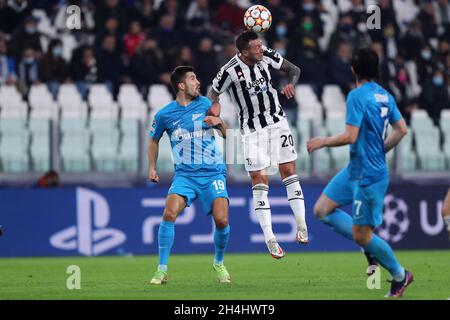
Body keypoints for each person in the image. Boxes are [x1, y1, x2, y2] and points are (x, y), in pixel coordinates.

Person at [307, 48, 413, 298]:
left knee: (361, 235)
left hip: (368, 175)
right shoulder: (386, 96)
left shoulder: (356, 95)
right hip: (354, 170)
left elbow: (350, 136)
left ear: (353, 70)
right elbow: (402, 129)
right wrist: (381, 149)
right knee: (322, 210)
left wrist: (322, 141)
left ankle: (400, 275)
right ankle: (368, 247)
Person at [207, 31, 308, 260]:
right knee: (259, 179)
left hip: (277, 122)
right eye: (256, 47)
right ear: (243, 52)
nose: (261, 49)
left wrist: (291, 84)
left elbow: (294, 70)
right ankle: (270, 238)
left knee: (289, 171)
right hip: (251, 131)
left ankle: (301, 225)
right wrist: (215, 105)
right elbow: (213, 91)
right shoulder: (229, 71)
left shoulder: (266, 55)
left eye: (260, 45)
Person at [148, 66, 231, 285]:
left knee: (222, 220)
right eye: (193, 78)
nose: (198, 82)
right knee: (168, 213)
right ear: (181, 85)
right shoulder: (165, 114)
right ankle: (161, 270)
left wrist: (220, 122)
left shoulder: (205, 104)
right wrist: (152, 167)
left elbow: (228, 133)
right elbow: (153, 139)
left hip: (213, 172)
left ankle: (219, 263)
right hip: (185, 175)